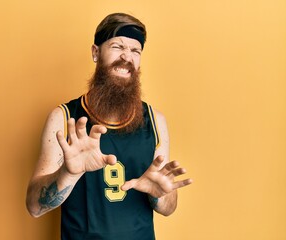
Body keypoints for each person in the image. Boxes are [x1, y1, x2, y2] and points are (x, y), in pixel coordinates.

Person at [26, 12, 193, 240]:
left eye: (135, 51)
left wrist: (160, 195)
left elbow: (168, 208)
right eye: (117, 46)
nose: (127, 57)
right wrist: (68, 173)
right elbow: (35, 207)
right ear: (96, 52)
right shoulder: (63, 118)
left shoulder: (155, 120)